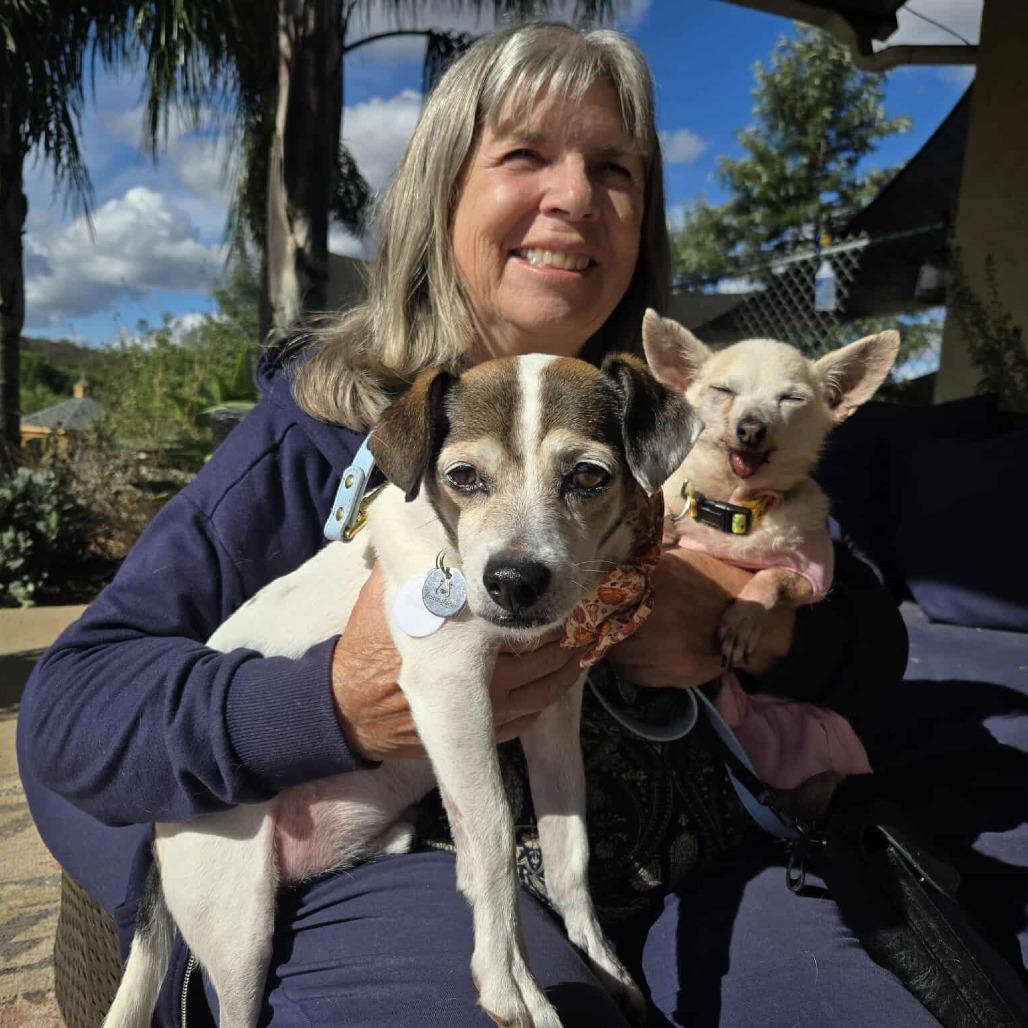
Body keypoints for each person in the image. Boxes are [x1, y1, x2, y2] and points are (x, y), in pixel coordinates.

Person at [17, 22, 957, 1027]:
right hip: (400, 858)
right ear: (440, 195)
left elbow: (865, 622)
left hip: (685, 840)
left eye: (613, 167)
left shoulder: (687, 424)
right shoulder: (321, 432)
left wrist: (771, 630)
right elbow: (71, 712)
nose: (573, 196)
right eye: (523, 154)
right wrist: (330, 702)